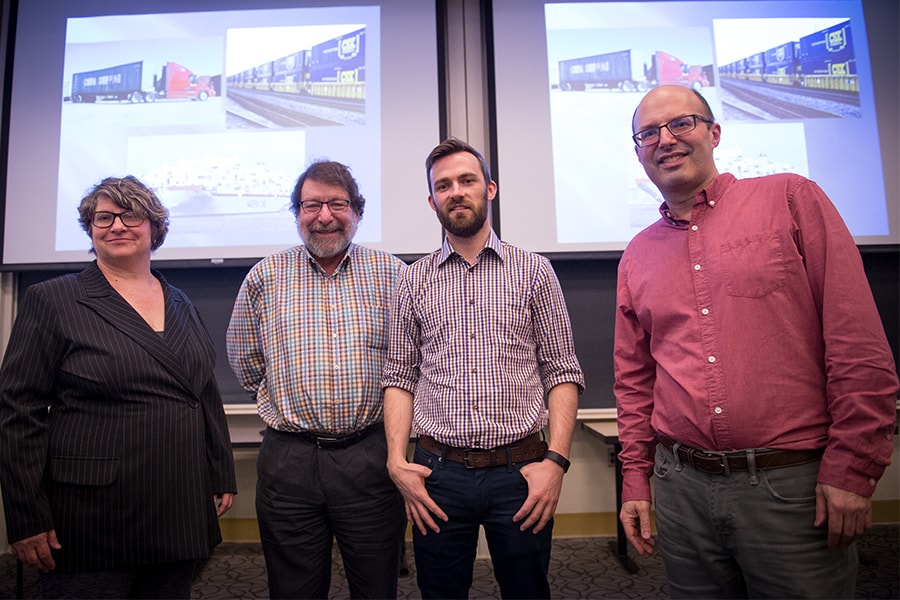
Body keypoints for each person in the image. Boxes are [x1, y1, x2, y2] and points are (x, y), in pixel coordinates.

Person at [614, 84, 899, 599]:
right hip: (681, 492)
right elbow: (635, 382)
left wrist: (855, 466)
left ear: (714, 133)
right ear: (639, 152)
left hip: (791, 489)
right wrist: (636, 477)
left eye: (681, 123)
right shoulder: (637, 254)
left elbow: (857, 344)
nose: (666, 140)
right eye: (648, 133)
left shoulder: (791, 199)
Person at [0, 175, 237, 599]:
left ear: (155, 227)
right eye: (103, 217)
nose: (116, 226)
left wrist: (220, 470)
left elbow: (202, 392)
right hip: (92, 516)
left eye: (131, 215)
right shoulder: (54, 299)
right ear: (90, 229)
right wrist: (26, 515)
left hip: (178, 503)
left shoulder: (180, 301)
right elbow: (18, 411)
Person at [382, 138, 584, 599]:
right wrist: (397, 461)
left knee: (527, 591)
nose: (456, 192)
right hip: (438, 474)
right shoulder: (412, 280)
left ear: (489, 189)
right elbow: (399, 376)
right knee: (440, 593)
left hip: (521, 470)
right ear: (431, 200)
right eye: (443, 185)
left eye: (467, 180)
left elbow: (562, 371)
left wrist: (555, 461)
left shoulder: (534, 272)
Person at [226, 160, 407, 599]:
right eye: (311, 205)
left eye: (337, 204)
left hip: (369, 457)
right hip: (289, 461)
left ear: (357, 212)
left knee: (376, 587)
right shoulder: (265, 277)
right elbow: (244, 359)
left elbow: (413, 360)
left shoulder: (394, 275)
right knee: (294, 590)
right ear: (296, 213)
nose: (324, 216)